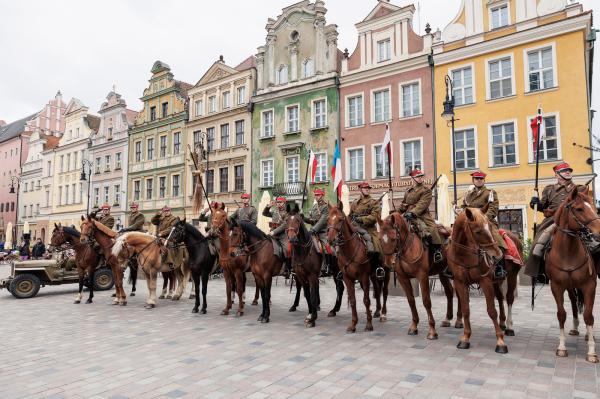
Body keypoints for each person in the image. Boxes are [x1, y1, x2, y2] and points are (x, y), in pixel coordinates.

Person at [526, 162, 584, 279]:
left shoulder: (579, 188)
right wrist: (535, 203)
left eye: (569, 170)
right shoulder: (549, 189)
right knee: (537, 243)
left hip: (574, 218)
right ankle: (538, 271)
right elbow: (543, 206)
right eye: (564, 171)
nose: (568, 172)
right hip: (553, 220)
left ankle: (597, 268)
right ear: (556, 175)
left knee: (595, 240)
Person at [460, 171, 506, 278]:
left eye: (481, 179)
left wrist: (483, 219)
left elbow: (493, 208)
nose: (479, 180)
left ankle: (500, 268)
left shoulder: (490, 193)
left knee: (497, 240)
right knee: (455, 238)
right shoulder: (468, 194)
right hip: (470, 222)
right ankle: (452, 266)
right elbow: (464, 207)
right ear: (473, 180)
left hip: (486, 222)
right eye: (477, 179)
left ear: (484, 180)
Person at [401, 169, 443, 263]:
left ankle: (437, 250)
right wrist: (395, 214)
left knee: (432, 229)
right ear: (412, 178)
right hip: (407, 214)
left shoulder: (426, 190)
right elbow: (403, 204)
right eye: (417, 177)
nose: (420, 178)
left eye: (421, 176)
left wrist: (413, 212)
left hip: (422, 215)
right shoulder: (408, 191)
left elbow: (423, 204)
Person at [349, 182, 381, 259]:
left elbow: (375, 217)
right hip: (355, 228)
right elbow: (350, 216)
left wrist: (361, 219)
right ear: (360, 190)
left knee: (377, 248)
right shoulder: (354, 202)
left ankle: (379, 267)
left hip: (369, 229)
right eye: (365, 188)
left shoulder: (374, 202)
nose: (367, 190)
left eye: (368, 188)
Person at [302, 188, 331, 274]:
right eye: (315, 195)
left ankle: (328, 266)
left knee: (326, 247)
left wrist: (314, 229)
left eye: (318, 195)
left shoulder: (326, 206)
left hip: (322, 231)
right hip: (313, 231)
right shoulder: (314, 207)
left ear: (322, 195)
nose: (316, 197)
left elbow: (323, 220)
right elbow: (311, 220)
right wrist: (303, 217)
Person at [263, 196, 291, 276]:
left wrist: (274, 232)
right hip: (273, 234)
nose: (279, 204)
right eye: (278, 202)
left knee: (287, 249)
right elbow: (264, 213)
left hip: (282, 235)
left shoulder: (287, 213)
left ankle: (287, 269)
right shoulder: (275, 212)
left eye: (280, 202)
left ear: (284, 203)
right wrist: (268, 206)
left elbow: (285, 225)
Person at [151, 206, 185, 270]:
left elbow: (171, 228)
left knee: (168, 245)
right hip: (159, 236)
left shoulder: (174, 219)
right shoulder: (161, 218)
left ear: (170, 211)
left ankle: (171, 262)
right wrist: (158, 215)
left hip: (170, 236)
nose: (166, 212)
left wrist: (162, 233)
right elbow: (153, 221)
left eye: (167, 211)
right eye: (165, 211)